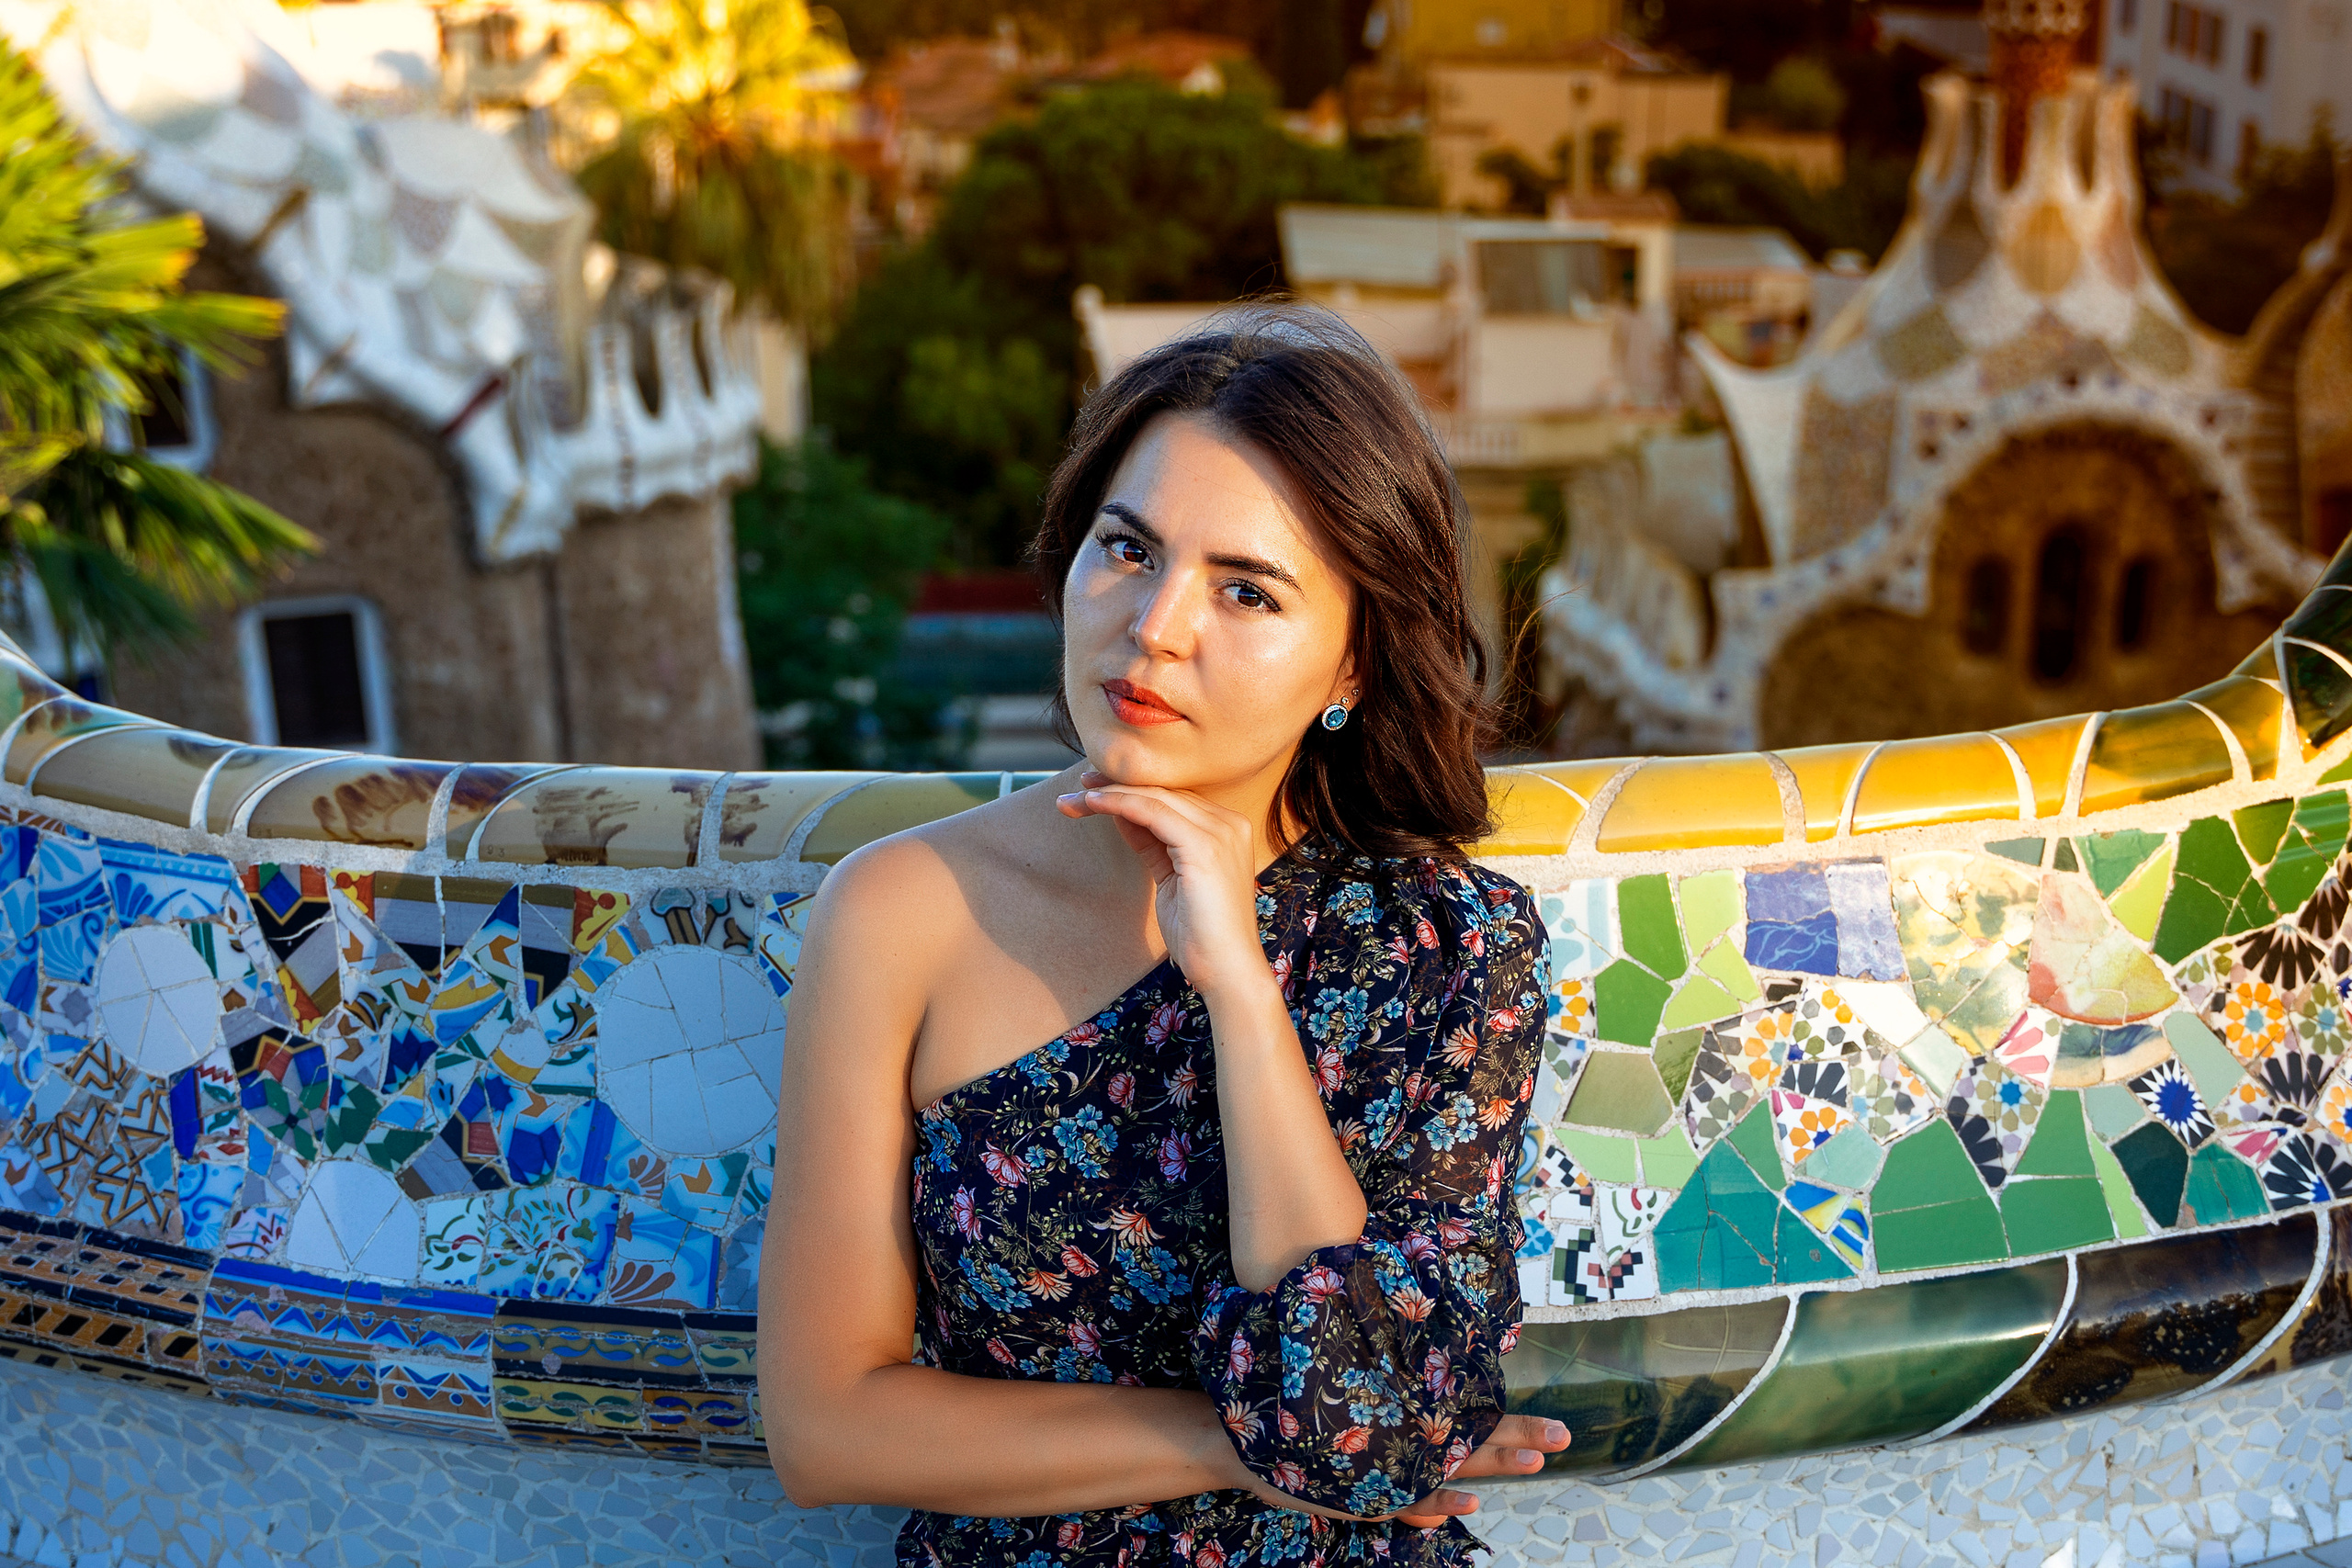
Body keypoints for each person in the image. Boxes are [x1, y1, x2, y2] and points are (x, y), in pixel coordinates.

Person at [757, 302, 1567, 1568]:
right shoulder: (901, 913)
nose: (1157, 625)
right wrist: (1233, 1443)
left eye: (1247, 590)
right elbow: (827, 1431)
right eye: (1129, 551)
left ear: (1351, 668)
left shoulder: (1450, 947)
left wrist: (1239, 986)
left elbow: (1363, 1407)